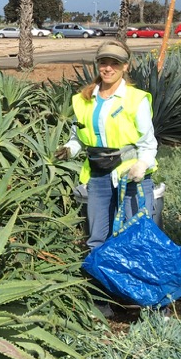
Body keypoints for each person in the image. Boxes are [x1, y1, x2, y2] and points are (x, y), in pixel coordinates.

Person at [55, 39, 158, 251]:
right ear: (97, 64)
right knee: (97, 237)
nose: (108, 68)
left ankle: (135, 281)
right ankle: (101, 281)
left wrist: (141, 165)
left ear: (125, 67)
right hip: (98, 175)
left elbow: (148, 143)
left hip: (130, 175)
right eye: (103, 62)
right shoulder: (83, 100)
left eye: (115, 63)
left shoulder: (135, 100)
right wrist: (68, 150)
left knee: (135, 235)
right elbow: (78, 138)